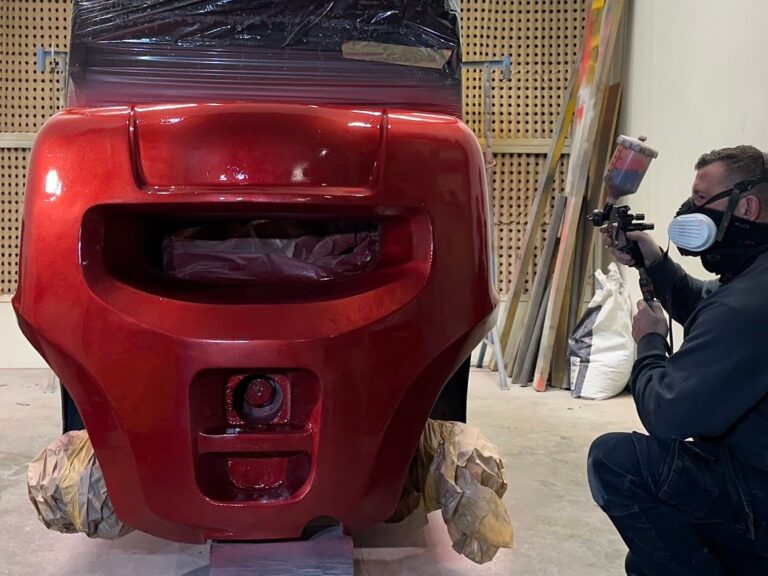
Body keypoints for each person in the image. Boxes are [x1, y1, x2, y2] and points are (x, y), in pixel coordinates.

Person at [587, 145, 768, 575]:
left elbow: (668, 415)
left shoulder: (748, 303)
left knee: (615, 462)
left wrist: (649, 343)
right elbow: (708, 304)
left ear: (747, 205)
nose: (690, 210)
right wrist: (652, 259)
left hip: (757, 493)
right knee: (649, 558)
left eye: (701, 200)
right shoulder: (753, 276)